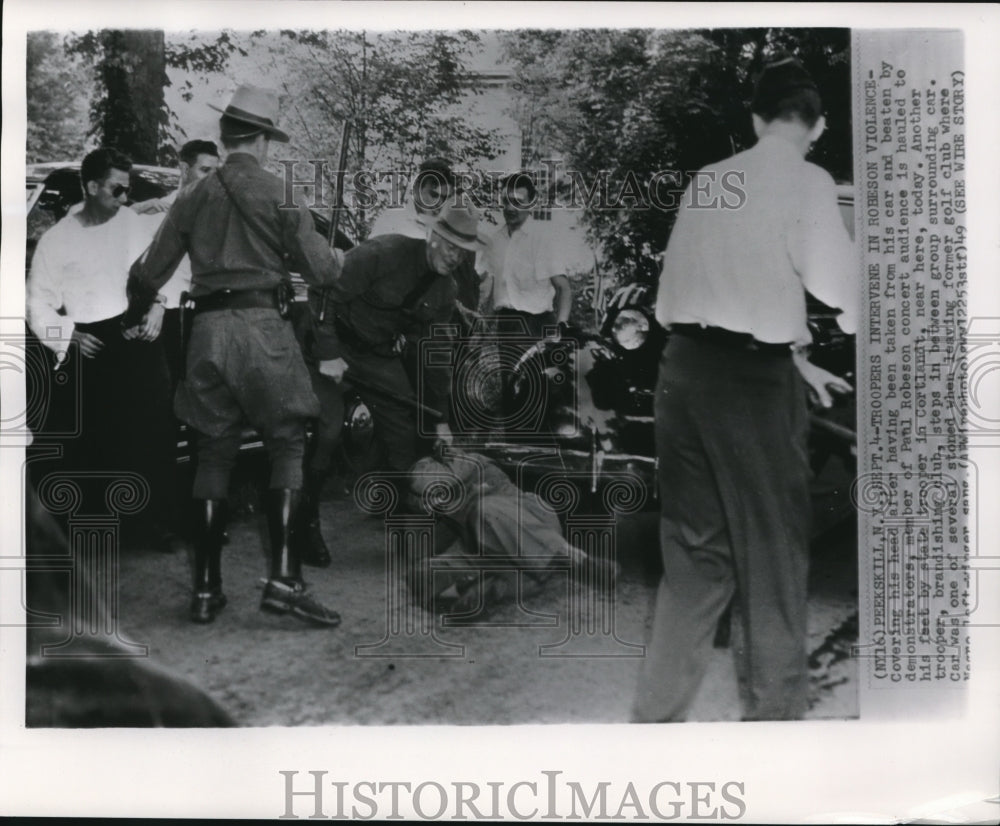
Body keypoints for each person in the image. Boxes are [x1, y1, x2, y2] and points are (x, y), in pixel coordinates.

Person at [631, 57, 858, 723]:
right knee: (773, 558)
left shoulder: (710, 180)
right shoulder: (808, 179)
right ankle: (774, 728)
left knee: (695, 561)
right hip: (751, 387)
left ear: (756, 120)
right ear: (814, 128)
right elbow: (837, 289)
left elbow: (703, 294)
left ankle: (653, 725)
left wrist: (793, 358)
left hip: (683, 374)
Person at [123, 84, 344, 627]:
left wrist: (135, 313)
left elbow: (147, 273)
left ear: (225, 139)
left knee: (213, 454)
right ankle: (286, 583)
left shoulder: (193, 196)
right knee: (289, 442)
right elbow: (323, 272)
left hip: (208, 333)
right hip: (264, 331)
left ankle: (204, 592)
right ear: (265, 140)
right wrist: (332, 255)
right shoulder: (282, 191)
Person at [26, 147, 176, 551]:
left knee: (150, 432)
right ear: (92, 187)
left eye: (127, 191)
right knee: (93, 439)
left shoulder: (129, 223)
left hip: (136, 337)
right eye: (117, 190)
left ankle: (148, 525)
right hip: (88, 343)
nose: (125, 200)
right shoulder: (58, 240)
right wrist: (68, 335)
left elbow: (156, 273)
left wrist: (157, 308)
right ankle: (93, 536)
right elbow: (36, 301)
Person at [316, 203, 482, 480]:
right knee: (328, 428)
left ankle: (399, 503)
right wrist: (329, 352)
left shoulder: (446, 289)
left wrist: (441, 420)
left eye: (463, 252)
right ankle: (309, 497)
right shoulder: (384, 253)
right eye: (451, 247)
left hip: (375, 354)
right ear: (433, 236)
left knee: (402, 426)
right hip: (332, 343)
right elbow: (322, 293)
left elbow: (435, 358)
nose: (455, 258)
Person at [132, 139, 221, 382]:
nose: (212, 178)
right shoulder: (161, 211)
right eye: (205, 170)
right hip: (166, 315)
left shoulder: (214, 215)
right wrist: (156, 303)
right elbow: (139, 267)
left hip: (202, 315)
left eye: (216, 172)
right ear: (184, 169)